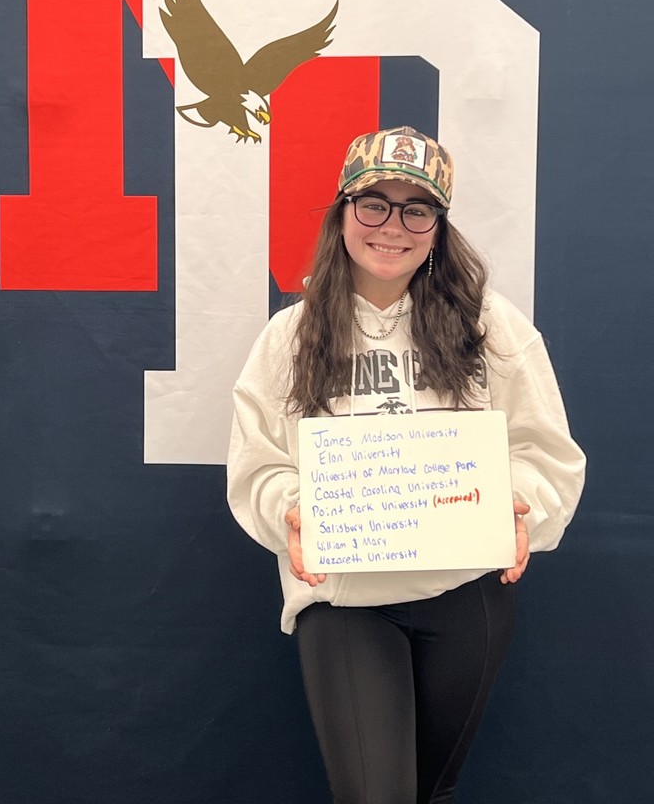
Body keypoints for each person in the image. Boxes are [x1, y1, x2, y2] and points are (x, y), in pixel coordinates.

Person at [226, 126, 585, 804]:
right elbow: (259, 462)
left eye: (416, 208)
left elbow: (544, 448)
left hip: (467, 593)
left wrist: (523, 506)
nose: (393, 226)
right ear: (343, 214)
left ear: (438, 227)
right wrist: (291, 510)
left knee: (430, 791)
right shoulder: (291, 336)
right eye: (374, 203)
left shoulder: (490, 326)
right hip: (345, 598)